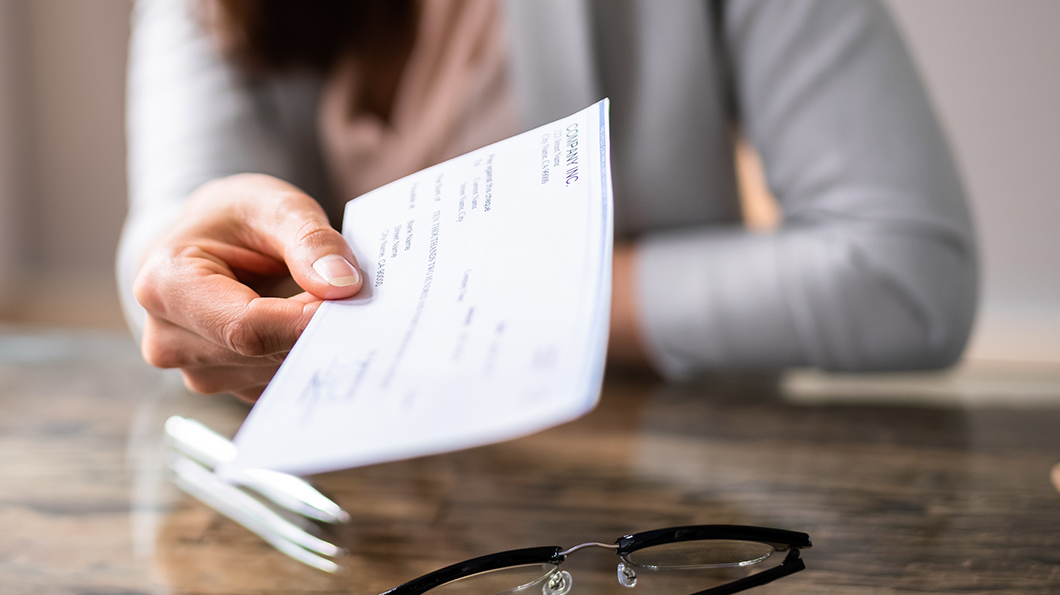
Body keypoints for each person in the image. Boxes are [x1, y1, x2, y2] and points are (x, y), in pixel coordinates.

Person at [118, 0, 977, 401]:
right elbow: (173, 229)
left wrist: (485, 302)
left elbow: (904, 273)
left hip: (656, 488)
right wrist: (181, 267)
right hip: (345, 509)